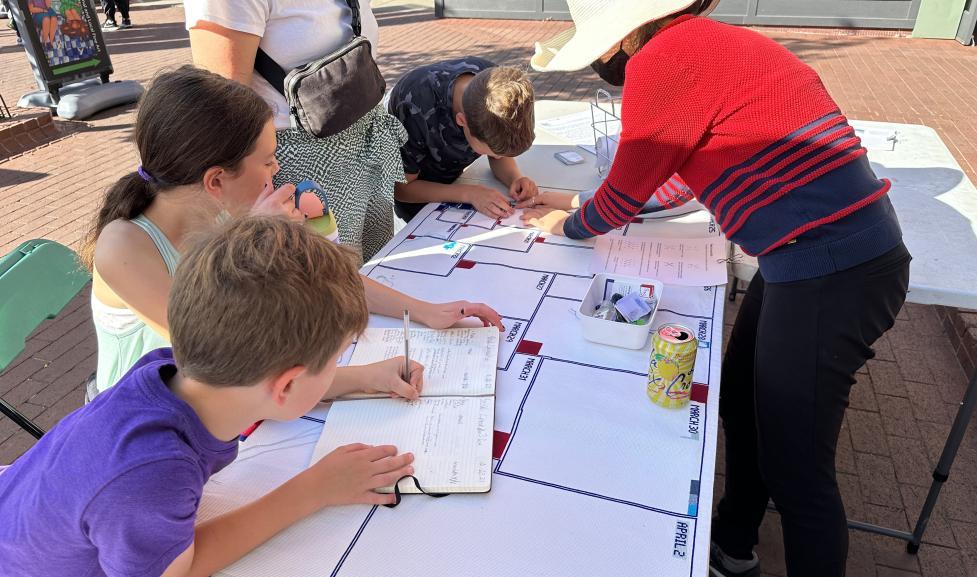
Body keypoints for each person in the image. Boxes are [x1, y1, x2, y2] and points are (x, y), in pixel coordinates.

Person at [525, 1, 911, 576]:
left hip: (830, 266)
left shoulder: (661, 60)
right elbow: (675, 180)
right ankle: (733, 544)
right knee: (741, 399)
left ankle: (753, 545)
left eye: (598, 46)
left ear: (625, 36)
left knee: (799, 473)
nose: (597, 64)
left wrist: (571, 226)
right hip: (813, 257)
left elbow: (629, 193)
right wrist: (570, 202)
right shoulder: (707, 44)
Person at [0, 215, 420, 576]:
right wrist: (314, 489)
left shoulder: (168, 369)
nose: (337, 368)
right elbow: (180, 568)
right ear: (288, 385)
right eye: (335, 359)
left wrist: (362, 376)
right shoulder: (153, 475)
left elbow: (263, 385)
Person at [81, 66, 503, 395]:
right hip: (150, 425)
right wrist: (255, 246)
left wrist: (426, 312)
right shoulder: (124, 247)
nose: (277, 169)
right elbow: (223, 358)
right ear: (215, 180)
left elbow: (333, 280)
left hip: (229, 403)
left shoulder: (225, 212)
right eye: (266, 161)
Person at [185, 0, 407, 263]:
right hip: (299, 163)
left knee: (377, 270)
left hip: (365, 139)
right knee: (329, 283)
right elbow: (222, 111)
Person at [388, 58, 538, 222]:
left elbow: (498, 153)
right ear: (462, 121)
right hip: (421, 194)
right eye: (489, 151)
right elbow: (401, 188)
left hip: (456, 183)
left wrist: (514, 178)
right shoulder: (412, 107)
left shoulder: (499, 85)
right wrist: (469, 193)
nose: (498, 157)